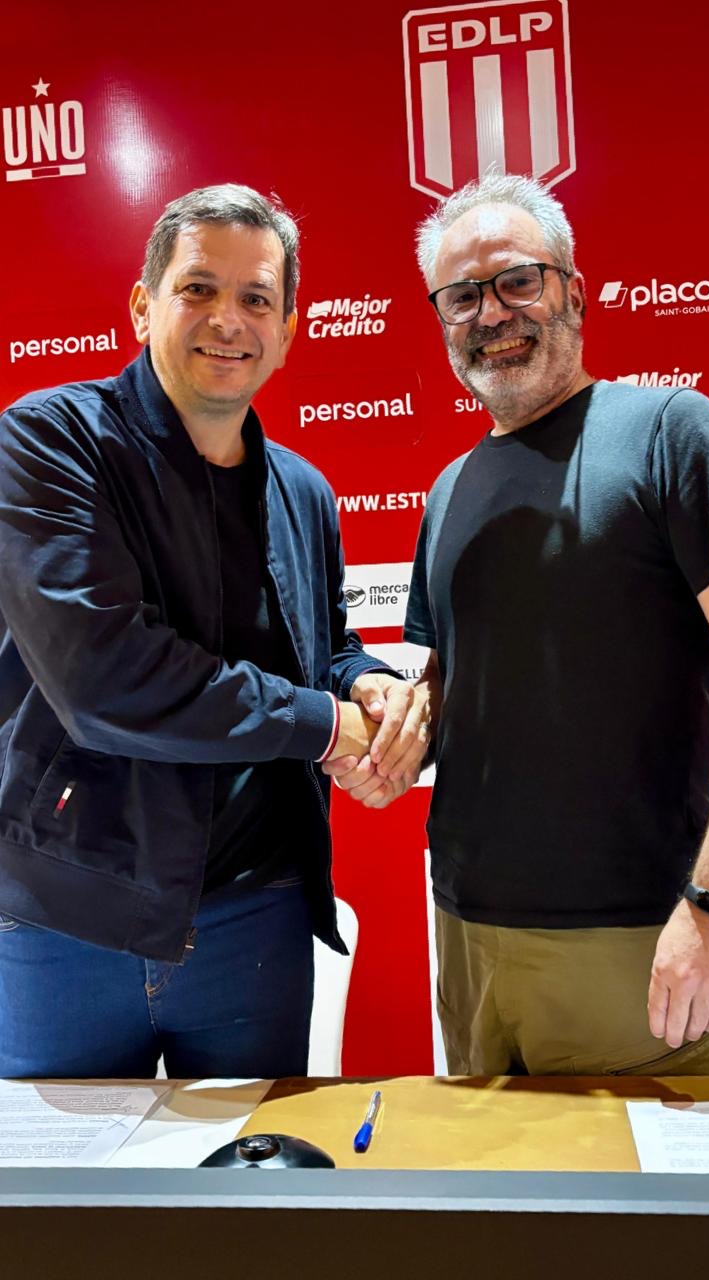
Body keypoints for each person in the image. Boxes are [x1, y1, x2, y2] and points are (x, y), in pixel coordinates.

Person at [0, 183, 428, 1079]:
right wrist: (327, 726)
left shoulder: (303, 491)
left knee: (249, 1169)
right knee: (62, 1177)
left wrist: (365, 688)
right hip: (67, 917)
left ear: (289, 330)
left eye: (256, 299)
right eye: (198, 288)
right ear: (142, 304)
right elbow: (105, 678)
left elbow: (319, 650)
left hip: (256, 915)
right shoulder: (48, 441)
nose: (227, 320)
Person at [326, 171, 709, 1076]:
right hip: (468, 934)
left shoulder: (670, 432)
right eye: (462, 296)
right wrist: (392, 741)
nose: (492, 313)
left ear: (573, 292)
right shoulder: (448, 490)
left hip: (642, 941)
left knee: (638, 1178)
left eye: (516, 280)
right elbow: (456, 693)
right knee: (489, 1174)